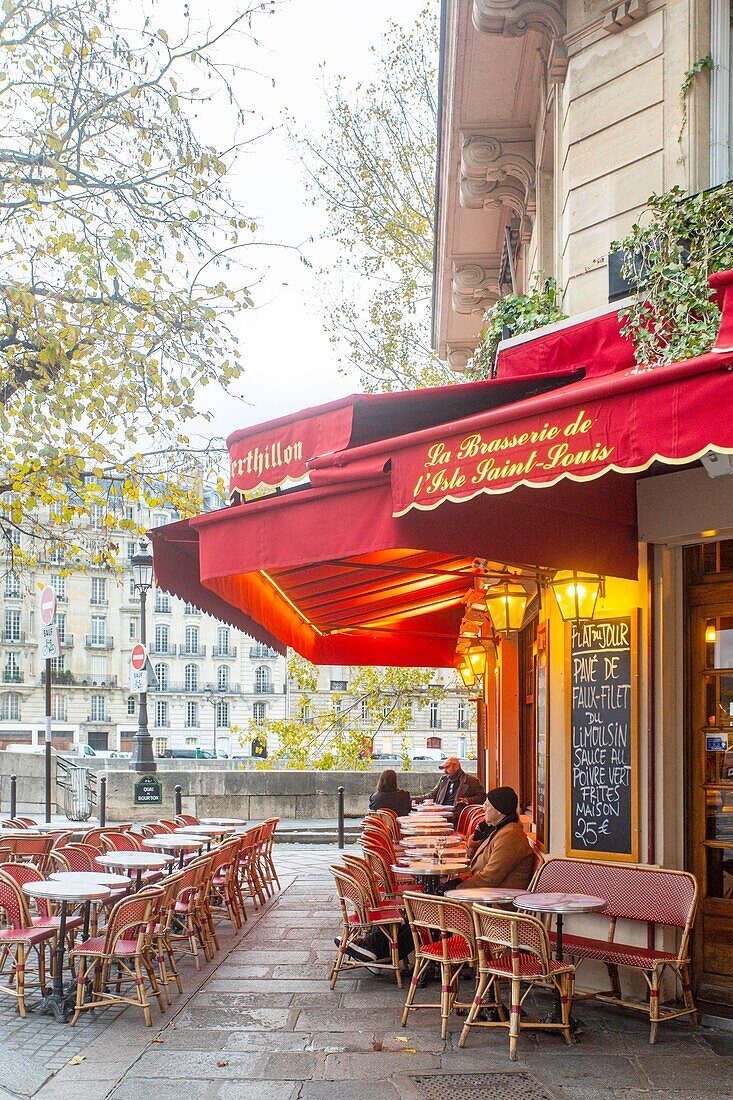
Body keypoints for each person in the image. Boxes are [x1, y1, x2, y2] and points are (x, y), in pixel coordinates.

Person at [447, 786, 535, 891]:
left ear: (499, 810)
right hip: (481, 892)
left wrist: (455, 888)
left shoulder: (510, 836)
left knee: (435, 899)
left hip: (494, 900)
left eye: (487, 806)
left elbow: (489, 879)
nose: (484, 809)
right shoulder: (498, 829)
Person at [425, 756, 485, 824]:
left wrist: (467, 800)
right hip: (440, 815)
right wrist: (412, 799)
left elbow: (482, 797)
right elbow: (431, 795)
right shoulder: (443, 779)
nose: (444, 771)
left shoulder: (471, 781)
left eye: (447, 767)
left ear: (456, 767)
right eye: (444, 768)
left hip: (457, 818)